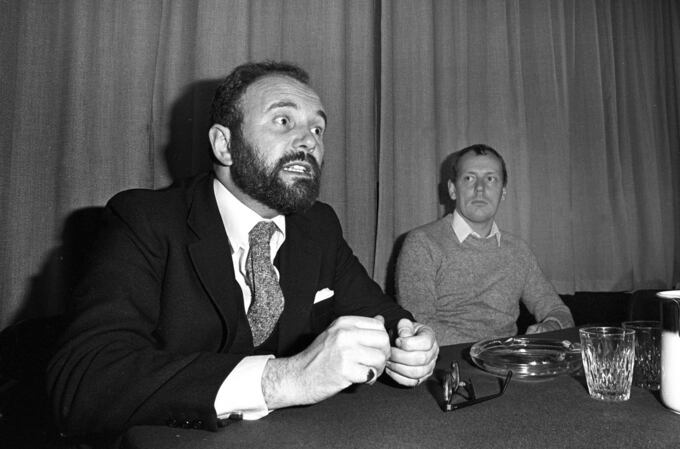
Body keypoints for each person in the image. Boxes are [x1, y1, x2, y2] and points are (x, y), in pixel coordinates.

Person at [46, 61, 438, 441]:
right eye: (283, 121)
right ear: (225, 144)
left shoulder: (319, 225)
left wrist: (411, 344)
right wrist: (286, 379)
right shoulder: (145, 220)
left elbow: (383, 316)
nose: (310, 141)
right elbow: (84, 381)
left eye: (318, 128)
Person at [395, 144, 573, 346]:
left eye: (490, 179)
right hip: (448, 360)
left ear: (503, 192)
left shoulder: (518, 251)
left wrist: (551, 326)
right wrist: (494, 351)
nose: (480, 188)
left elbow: (558, 311)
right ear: (452, 189)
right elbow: (418, 324)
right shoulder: (422, 243)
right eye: (469, 178)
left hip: (507, 359)